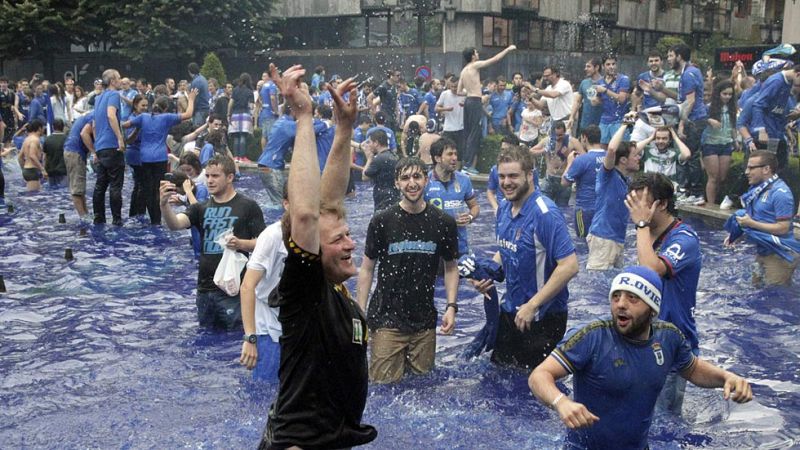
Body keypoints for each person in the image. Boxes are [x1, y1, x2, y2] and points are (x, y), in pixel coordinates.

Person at [258, 64, 376, 450]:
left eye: (348, 235)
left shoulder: (336, 287)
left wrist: (344, 130)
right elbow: (307, 215)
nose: (351, 245)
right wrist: (304, 116)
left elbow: (329, 201)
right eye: (339, 240)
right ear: (310, 250)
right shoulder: (305, 290)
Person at [529, 266, 752, 450]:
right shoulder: (591, 336)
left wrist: (726, 377)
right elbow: (539, 375)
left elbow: (693, 369)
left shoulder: (669, 337)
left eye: (633, 298)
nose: (621, 304)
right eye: (616, 296)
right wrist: (561, 402)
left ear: (652, 309)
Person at [472, 145, 578, 369]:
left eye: (513, 176)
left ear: (530, 175)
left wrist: (533, 305)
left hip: (543, 317)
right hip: (512, 310)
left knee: (532, 384)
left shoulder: (545, 214)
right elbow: (508, 249)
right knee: (497, 376)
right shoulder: (503, 208)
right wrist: (487, 274)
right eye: (502, 176)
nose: (506, 182)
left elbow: (569, 266)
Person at [357, 156, 459, 384]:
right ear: (396, 183)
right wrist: (360, 312)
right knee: (383, 386)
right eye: (405, 178)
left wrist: (451, 307)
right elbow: (367, 269)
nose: (411, 183)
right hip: (386, 320)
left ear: (426, 180)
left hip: (424, 322)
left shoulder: (443, 222)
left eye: (417, 176)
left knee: (423, 388)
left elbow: (451, 268)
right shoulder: (382, 221)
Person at [625, 173, 703, 414]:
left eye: (642, 203)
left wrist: (640, 225)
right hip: (643, 340)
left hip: (671, 345)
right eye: (633, 202)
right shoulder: (648, 235)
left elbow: (652, 270)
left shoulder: (685, 238)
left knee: (662, 420)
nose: (636, 210)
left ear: (662, 204)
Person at [160, 155, 265, 329]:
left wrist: (241, 244)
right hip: (205, 289)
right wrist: (164, 205)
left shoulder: (248, 206)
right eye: (207, 176)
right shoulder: (200, 208)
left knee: (233, 337)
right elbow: (175, 224)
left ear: (230, 177)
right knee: (206, 335)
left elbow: (264, 244)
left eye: (215, 176)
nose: (209, 180)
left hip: (233, 290)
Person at [724, 151, 798, 286]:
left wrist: (751, 223)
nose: (746, 172)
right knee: (755, 287)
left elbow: (783, 228)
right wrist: (737, 234)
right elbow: (757, 218)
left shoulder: (781, 193)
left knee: (774, 294)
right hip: (764, 250)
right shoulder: (757, 189)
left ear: (766, 169)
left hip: (780, 254)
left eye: (751, 168)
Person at [239, 188, 288, 383]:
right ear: (286, 204)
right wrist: (250, 338)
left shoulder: (316, 233)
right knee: (266, 392)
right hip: (269, 329)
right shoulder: (273, 236)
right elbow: (247, 286)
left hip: (298, 329)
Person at [127, 90, 197, 225]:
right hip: (156, 157)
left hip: (142, 157)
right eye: (142, 105)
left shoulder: (142, 118)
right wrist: (192, 99)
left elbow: (126, 128)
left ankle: (141, 216)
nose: (144, 107)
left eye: (146, 105)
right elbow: (188, 114)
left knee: (144, 188)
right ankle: (155, 219)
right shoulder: (164, 118)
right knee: (156, 189)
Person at [586, 121, 641, 270]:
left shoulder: (624, 179)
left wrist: (652, 137)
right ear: (623, 160)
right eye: (636, 156)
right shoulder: (608, 175)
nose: (639, 158)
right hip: (603, 238)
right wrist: (624, 124)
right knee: (597, 282)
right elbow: (611, 149)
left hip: (617, 239)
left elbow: (632, 151)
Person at [459, 45, 516, 172]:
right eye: (476, 53)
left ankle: (465, 163)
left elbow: (459, 91)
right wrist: (507, 49)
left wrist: (471, 93)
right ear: (472, 56)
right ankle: (468, 165)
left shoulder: (463, 71)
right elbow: (495, 59)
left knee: (468, 133)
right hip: (474, 102)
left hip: (468, 101)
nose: (478, 54)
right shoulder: (474, 65)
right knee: (475, 133)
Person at [424, 137, 479, 256]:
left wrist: (469, 217)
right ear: (437, 158)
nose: (454, 158)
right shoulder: (425, 182)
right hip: (433, 248)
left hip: (460, 247)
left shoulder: (464, 180)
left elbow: (474, 206)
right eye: (450, 154)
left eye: (455, 154)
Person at [668, 43, 708, 204]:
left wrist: (682, 124)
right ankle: (688, 191)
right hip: (695, 119)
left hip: (693, 120)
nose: (669, 59)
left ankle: (696, 193)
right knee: (690, 156)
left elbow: (690, 102)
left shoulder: (688, 75)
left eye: (671, 56)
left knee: (690, 156)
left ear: (679, 57)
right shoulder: (693, 71)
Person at [92, 69, 126, 226]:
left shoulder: (98, 98)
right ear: (112, 81)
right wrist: (120, 138)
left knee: (100, 185)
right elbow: (111, 115)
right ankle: (117, 220)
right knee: (115, 185)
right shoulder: (114, 95)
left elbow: (94, 124)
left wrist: (96, 146)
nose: (120, 81)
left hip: (100, 146)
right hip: (112, 145)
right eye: (118, 78)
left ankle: (98, 218)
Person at [751, 65, 800, 171]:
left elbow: (777, 110)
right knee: (764, 168)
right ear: (798, 74)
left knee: (774, 167)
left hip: (776, 133)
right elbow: (758, 105)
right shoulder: (776, 81)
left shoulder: (788, 83)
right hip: (766, 133)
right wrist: (761, 130)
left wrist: (789, 121)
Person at [562, 124, 605, 239]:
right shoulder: (609, 158)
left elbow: (564, 182)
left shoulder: (582, 160)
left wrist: (570, 162)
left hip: (584, 210)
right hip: (604, 209)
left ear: (584, 137)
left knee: (582, 243)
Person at [702, 79, 738, 206]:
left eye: (730, 94)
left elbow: (733, 126)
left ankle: (715, 199)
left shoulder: (732, 108)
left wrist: (735, 140)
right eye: (725, 94)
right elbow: (700, 119)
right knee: (713, 176)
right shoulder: (709, 107)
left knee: (721, 177)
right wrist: (710, 120)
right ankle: (710, 204)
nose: (727, 96)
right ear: (718, 94)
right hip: (710, 143)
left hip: (726, 143)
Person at [531, 120, 583, 206]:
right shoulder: (547, 141)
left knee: (562, 208)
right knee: (544, 206)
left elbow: (584, 157)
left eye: (560, 135)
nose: (558, 138)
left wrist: (569, 155)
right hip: (549, 178)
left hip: (564, 180)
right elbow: (530, 151)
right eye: (555, 135)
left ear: (565, 132)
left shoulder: (572, 142)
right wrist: (544, 150)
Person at [591, 54, 631, 146]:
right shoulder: (600, 82)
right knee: (601, 147)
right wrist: (594, 99)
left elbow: (622, 99)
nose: (611, 67)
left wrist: (605, 90)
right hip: (604, 121)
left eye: (613, 64)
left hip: (620, 121)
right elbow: (597, 101)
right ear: (603, 66)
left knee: (621, 149)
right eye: (608, 64)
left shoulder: (623, 79)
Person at [63, 113, 95, 218]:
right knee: (77, 189)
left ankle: (86, 215)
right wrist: (94, 152)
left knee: (80, 188)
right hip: (75, 152)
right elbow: (84, 134)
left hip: (72, 151)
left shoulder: (88, 115)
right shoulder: (94, 116)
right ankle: (83, 218)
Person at [362, 129, 399, 212]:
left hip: (382, 200)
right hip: (395, 196)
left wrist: (369, 158)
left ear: (376, 143)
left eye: (370, 142)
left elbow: (364, 177)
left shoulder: (378, 159)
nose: (369, 145)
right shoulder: (395, 156)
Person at [568, 58, 603, 136]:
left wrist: (598, 101)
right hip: (585, 124)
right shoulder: (584, 83)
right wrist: (571, 117)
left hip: (601, 125)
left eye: (588, 66)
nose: (585, 69)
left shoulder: (605, 83)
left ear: (597, 67)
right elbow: (577, 101)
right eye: (585, 66)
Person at [228, 73, 255, 163]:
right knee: (243, 136)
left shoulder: (235, 90)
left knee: (236, 136)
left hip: (235, 115)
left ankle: (236, 157)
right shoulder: (250, 91)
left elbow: (230, 103)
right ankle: (242, 157)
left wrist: (228, 114)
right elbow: (251, 106)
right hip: (245, 115)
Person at [435, 77, 465, 156]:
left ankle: (458, 164)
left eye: (456, 86)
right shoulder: (445, 94)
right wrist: (446, 109)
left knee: (460, 153)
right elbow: (436, 108)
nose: (454, 89)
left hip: (461, 128)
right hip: (448, 128)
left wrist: (465, 105)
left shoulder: (464, 94)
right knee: (446, 152)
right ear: (449, 86)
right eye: (452, 86)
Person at [17, 119, 46, 191]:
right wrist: (42, 169)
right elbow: (32, 155)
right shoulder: (35, 140)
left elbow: (20, 157)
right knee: (34, 194)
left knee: (35, 193)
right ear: (39, 128)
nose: (44, 130)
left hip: (27, 169)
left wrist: (23, 169)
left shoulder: (27, 139)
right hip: (32, 170)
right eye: (43, 127)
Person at [42, 118, 67, 187]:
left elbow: (44, 157)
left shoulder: (47, 140)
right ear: (63, 127)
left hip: (50, 171)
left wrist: (43, 170)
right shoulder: (67, 139)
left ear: (53, 127)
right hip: (63, 171)